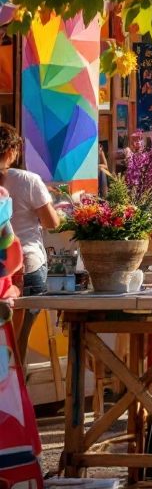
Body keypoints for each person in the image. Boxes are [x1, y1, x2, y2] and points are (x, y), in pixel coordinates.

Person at [0, 124, 60, 360]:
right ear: (13, 150)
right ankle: (16, 394)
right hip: (26, 266)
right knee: (17, 346)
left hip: (5, 270)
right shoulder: (28, 180)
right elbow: (51, 222)